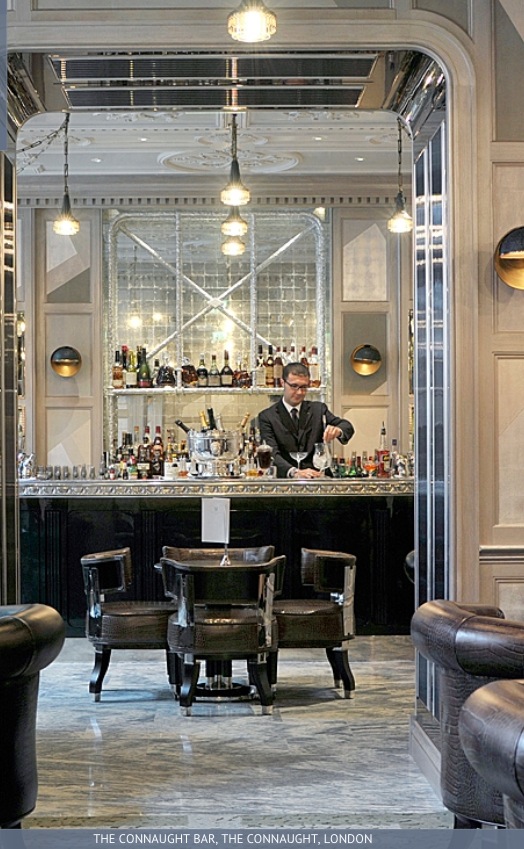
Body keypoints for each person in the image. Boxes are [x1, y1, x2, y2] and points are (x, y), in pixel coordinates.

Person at [258, 362, 354, 479]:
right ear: (283, 383)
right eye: (294, 386)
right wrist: (294, 472)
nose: (299, 392)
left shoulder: (318, 409)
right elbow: (272, 453)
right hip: (286, 482)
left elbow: (347, 426)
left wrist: (338, 430)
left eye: (304, 387)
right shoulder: (267, 416)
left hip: (317, 479)